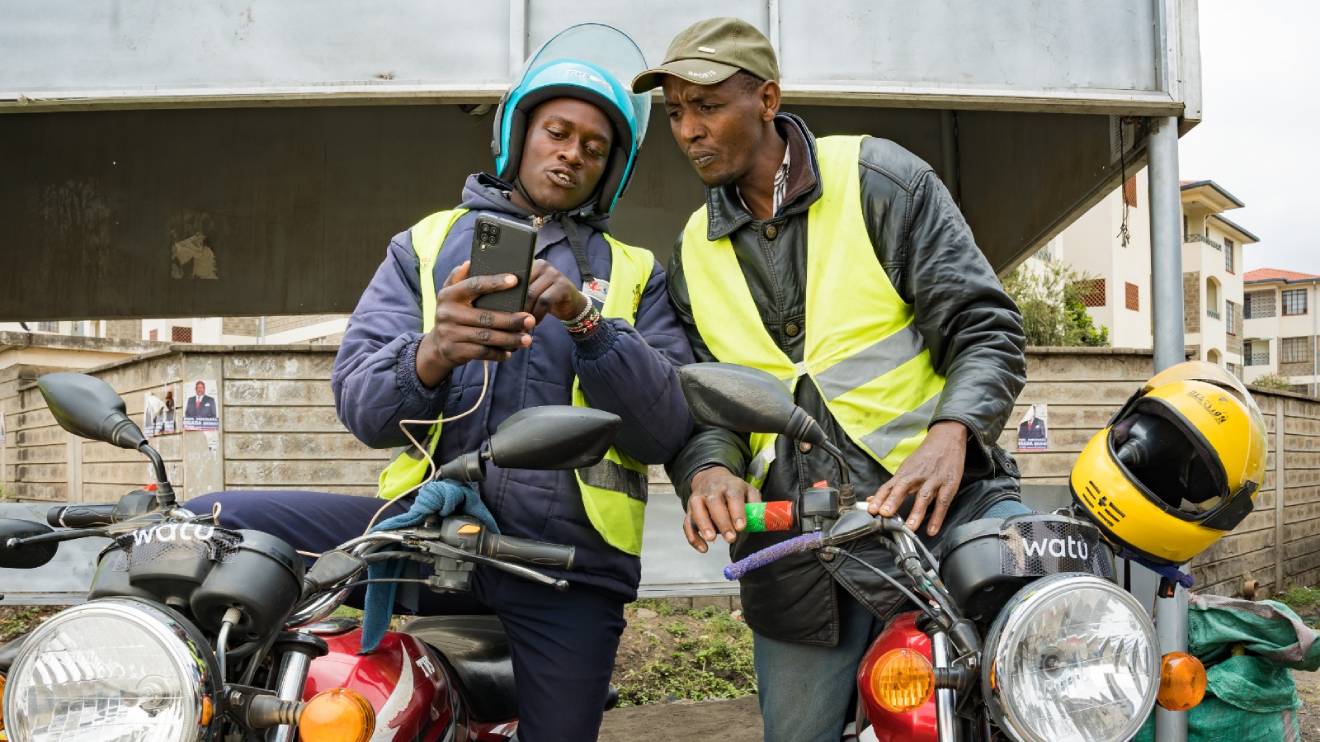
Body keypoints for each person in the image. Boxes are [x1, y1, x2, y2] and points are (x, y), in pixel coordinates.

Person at [188, 24, 692, 742]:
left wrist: (587, 322)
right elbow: (362, 407)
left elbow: (665, 427)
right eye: (557, 130)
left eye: (595, 145)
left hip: (566, 565)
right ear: (519, 135)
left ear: (611, 168)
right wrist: (430, 354)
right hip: (422, 536)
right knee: (215, 523)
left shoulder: (639, 272)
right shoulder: (424, 245)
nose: (572, 152)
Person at [633, 18, 1028, 741]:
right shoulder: (692, 252)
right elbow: (704, 401)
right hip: (798, 557)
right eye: (676, 112)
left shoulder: (881, 181)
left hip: (942, 512)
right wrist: (712, 470)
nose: (689, 129)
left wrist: (955, 433)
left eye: (708, 105)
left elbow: (985, 325)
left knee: (1028, 692)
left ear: (768, 100)